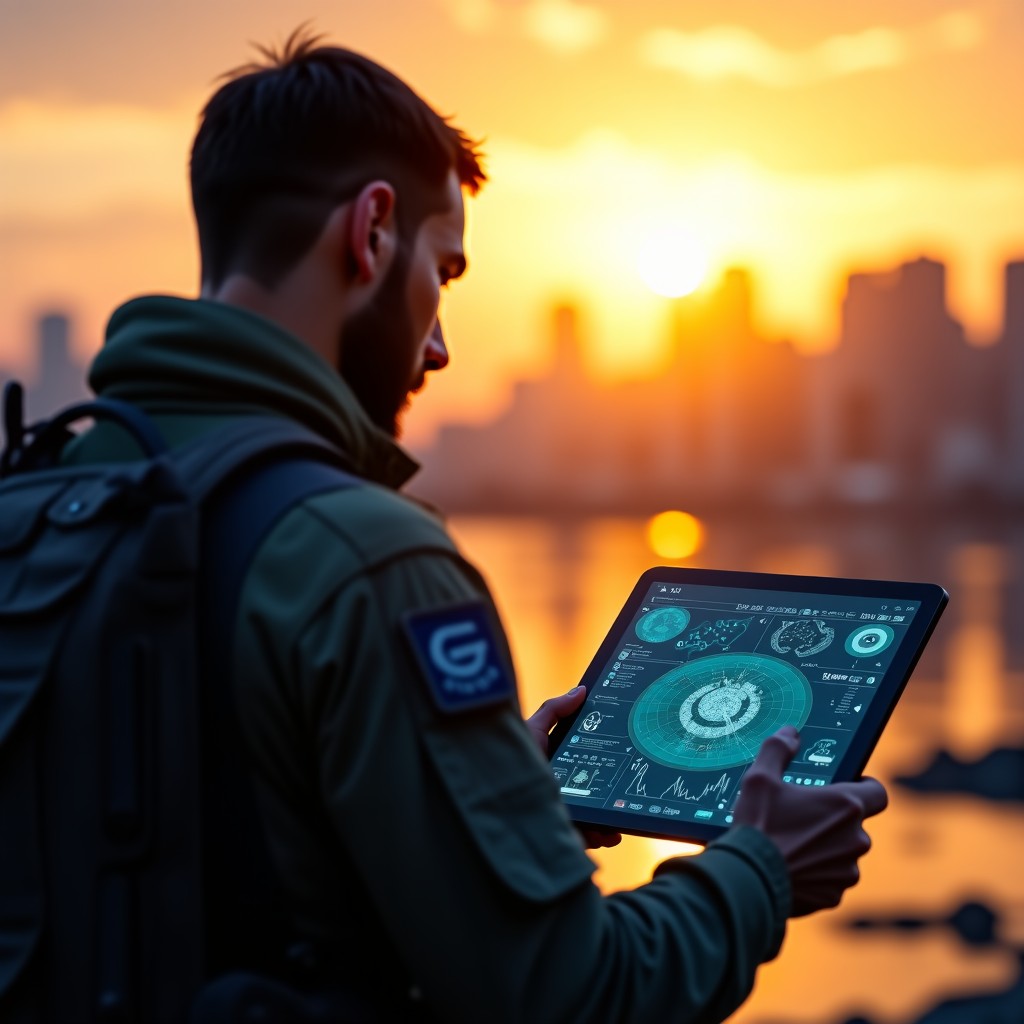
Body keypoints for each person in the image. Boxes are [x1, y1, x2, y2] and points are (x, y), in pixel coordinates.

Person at [69, 28, 887, 1022]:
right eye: (444, 274)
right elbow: (571, 995)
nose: (442, 345)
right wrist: (760, 872)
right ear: (371, 233)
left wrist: (497, 808)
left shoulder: (45, 495)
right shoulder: (363, 558)